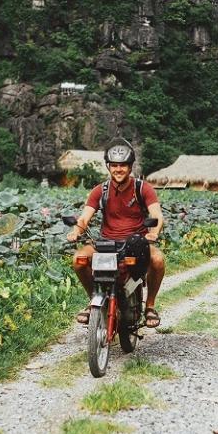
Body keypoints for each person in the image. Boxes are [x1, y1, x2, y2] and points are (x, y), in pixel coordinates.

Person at [66, 138, 165, 328]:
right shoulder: (100, 190)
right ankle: (94, 298)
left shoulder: (142, 188)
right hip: (106, 243)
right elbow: (84, 218)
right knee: (78, 260)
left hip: (136, 243)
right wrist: (75, 231)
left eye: (123, 165)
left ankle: (150, 306)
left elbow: (157, 215)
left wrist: (154, 232)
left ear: (130, 167)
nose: (118, 169)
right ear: (108, 166)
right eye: (114, 165)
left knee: (158, 260)